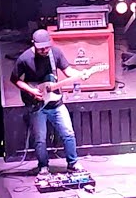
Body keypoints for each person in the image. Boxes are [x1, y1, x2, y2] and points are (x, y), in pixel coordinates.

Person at [11, 28, 95, 174]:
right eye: (41, 48)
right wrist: (31, 91)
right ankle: (43, 166)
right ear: (34, 44)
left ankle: (73, 163)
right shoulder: (24, 58)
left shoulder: (55, 53)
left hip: (56, 102)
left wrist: (81, 74)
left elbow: (68, 72)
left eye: (47, 47)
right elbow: (15, 79)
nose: (44, 50)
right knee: (40, 139)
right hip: (37, 104)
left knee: (68, 133)